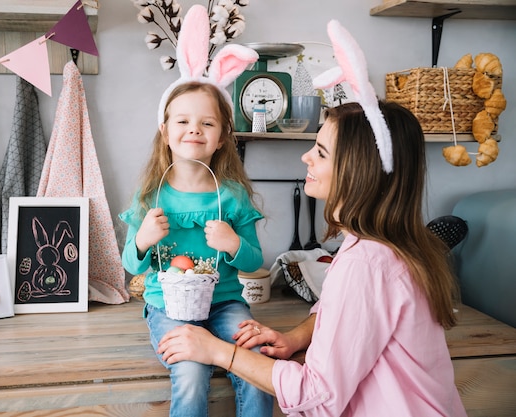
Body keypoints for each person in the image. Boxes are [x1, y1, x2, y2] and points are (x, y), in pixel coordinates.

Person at [156, 20, 467, 417]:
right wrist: (295, 337)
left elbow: (316, 393)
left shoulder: (366, 265)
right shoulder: (378, 246)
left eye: (319, 151)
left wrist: (218, 351)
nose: (305, 158)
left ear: (356, 170)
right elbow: (344, 314)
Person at [119, 6, 273, 416]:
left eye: (207, 123)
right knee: (190, 373)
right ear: (166, 132)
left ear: (223, 137)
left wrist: (234, 243)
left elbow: (255, 262)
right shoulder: (152, 195)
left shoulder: (233, 195)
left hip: (225, 303)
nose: (194, 130)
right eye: (183, 121)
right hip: (168, 308)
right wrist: (142, 240)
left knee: (258, 365)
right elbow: (131, 266)